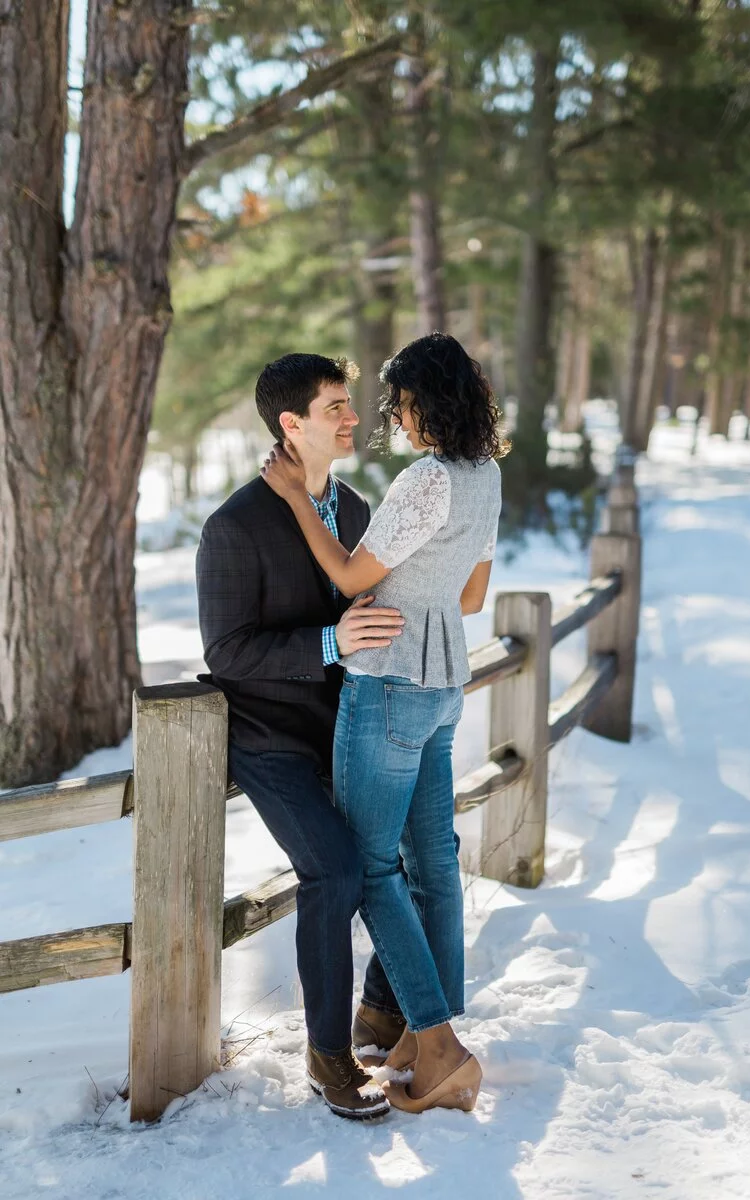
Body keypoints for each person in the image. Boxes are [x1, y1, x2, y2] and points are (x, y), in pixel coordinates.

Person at [262, 332, 505, 1114]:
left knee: (371, 867)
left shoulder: (426, 482)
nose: (394, 419)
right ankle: (425, 1033)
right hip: (444, 683)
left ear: (422, 404)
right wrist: (417, 590)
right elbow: (469, 598)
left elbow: (346, 575)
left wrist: (299, 498)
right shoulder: (487, 476)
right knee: (434, 857)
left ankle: (435, 1043)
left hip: (391, 680)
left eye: (399, 405)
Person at [196, 353, 410, 1121]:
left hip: (347, 728)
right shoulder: (233, 526)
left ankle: (383, 1016)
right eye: (336, 407)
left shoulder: (355, 510)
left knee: (407, 852)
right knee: (335, 868)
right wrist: (331, 641)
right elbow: (225, 651)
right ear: (292, 425)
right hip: (266, 734)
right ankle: (327, 1058)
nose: (354, 417)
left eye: (350, 403)